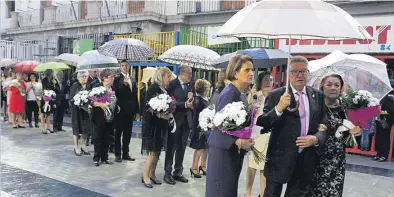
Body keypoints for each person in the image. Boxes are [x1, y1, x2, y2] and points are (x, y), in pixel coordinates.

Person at [256, 56, 327, 197]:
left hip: (305, 160)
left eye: (303, 71)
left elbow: (324, 124)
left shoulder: (317, 95)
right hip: (279, 159)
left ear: (308, 73)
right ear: (288, 74)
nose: (299, 75)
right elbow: (263, 124)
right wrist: (279, 108)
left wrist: (316, 138)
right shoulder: (277, 95)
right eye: (295, 71)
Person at [206, 55, 255, 197]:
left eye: (252, 70)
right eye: (247, 70)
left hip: (230, 153)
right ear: (235, 73)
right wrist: (239, 141)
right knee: (221, 191)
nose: (251, 73)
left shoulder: (239, 94)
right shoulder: (229, 93)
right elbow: (219, 125)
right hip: (223, 153)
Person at [309, 73, 361, 197]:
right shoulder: (314, 107)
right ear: (322, 86)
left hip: (337, 163)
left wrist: (354, 133)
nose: (333, 88)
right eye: (329, 84)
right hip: (316, 161)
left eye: (337, 85)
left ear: (340, 88)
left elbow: (348, 141)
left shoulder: (345, 109)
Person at [141, 67, 173, 188]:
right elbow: (149, 108)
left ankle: (152, 174)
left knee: (157, 152)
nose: (169, 79)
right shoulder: (153, 88)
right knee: (152, 152)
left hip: (160, 125)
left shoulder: (164, 89)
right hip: (152, 126)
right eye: (167, 76)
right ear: (161, 76)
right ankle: (146, 177)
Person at [164, 64, 194, 185]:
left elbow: (193, 101)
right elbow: (170, 102)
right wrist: (185, 104)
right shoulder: (172, 85)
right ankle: (167, 173)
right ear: (182, 73)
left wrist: (192, 101)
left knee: (182, 147)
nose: (190, 77)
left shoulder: (189, 85)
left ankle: (178, 171)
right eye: (189, 74)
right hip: (175, 121)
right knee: (171, 147)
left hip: (186, 121)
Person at [245, 71, 273, 197]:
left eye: (271, 80)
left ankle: (262, 193)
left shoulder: (275, 96)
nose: (269, 82)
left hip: (270, 136)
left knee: (264, 167)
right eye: (266, 80)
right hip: (257, 134)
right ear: (260, 82)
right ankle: (248, 192)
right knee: (252, 165)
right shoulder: (255, 96)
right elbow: (247, 114)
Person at [113, 60, 139, 162]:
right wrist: (124, 84)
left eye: (126, 65)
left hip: (130, 110)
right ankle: (117, 154)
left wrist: (137, 110)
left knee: (128, 133)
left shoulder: (132, 78)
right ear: (120, 67)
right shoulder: (117, 78)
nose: (124, 67)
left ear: (129, 67)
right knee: (118, 132)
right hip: (120, 110)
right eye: (122, 65)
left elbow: (134, 95)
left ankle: (125, 152)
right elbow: (117, 92)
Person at [91, 69, 117, 166]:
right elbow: (91, 101)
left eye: (113, 77)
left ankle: (105, 157)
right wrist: (100, 104)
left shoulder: (113, 89)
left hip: (110, 117)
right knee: (98, 137)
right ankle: (96, 158)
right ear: (104, 78)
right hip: (99, 117)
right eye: (111, 77)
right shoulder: (97, 88)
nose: (113, 79)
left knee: (107, 137)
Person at [189, 79, 211, 178]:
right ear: (204, 89)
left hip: (206, 126)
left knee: (205, 147)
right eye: (208, 87)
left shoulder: (205, 98)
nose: (209, 89)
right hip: (199, 127)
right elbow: (197, 110)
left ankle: (203, 166)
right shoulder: (197, 99)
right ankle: (194, 168)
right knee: (199, 147)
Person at [69, 71, 92, 156]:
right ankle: (76, 147)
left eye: (86, 76)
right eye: (83, 76)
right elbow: (71, 98)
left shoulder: (89, 85)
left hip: (85, 111)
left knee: (86, 129)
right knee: (76, 128)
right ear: (78, 77)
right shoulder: (75, 85)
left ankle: (83, 146)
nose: (84, 78)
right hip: (76, 111)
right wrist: (79, 102)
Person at [373, 91, 394, 162]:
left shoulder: (387, 99)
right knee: (379, 137)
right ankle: (379, 154)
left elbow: (390, 111)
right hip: (379, 119)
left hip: (386, 120)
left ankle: (384, 155)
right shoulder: (380, 99)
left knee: (384, 136)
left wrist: (381, 111)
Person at [40, 69, 60, 134]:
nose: (53, 74)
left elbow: (58, 89)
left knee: (48, 113)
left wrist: (55, 83)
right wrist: (51, 85)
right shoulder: (44, 80)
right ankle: (43, 127)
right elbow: (45, 88)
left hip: (51, 98)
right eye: (52, 73)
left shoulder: (54, 80)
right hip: (45, 98)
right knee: (43, 112)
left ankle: (48, 127)